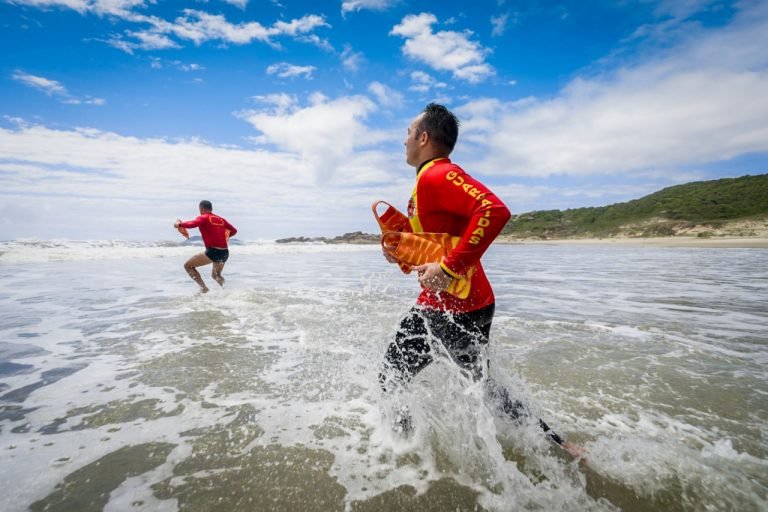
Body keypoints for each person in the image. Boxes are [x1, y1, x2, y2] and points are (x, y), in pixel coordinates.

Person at [379, 103, 584, 458]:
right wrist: (401, 250)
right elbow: (438, 243)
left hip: (453, 306)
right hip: (464, 302)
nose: (404, 140)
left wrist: (448, 269)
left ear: (424, 138)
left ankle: (400, 453)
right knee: (481, 387)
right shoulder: (426, 181)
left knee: (391, 374)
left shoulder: (436, 175)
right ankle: (562, 446)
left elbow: (494, 210)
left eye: (408, 133)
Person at [175, 200, 237, 293]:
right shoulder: (221, 219)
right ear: (211, 208)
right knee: (216, 276)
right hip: (224, 252)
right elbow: (234, 230)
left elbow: (192, 224)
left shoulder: (203, 218)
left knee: (188, 266)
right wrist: (225, 237)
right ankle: (227, 291)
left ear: (201, 208)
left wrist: (180, 224)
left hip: (213, 252)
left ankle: (204, 288)